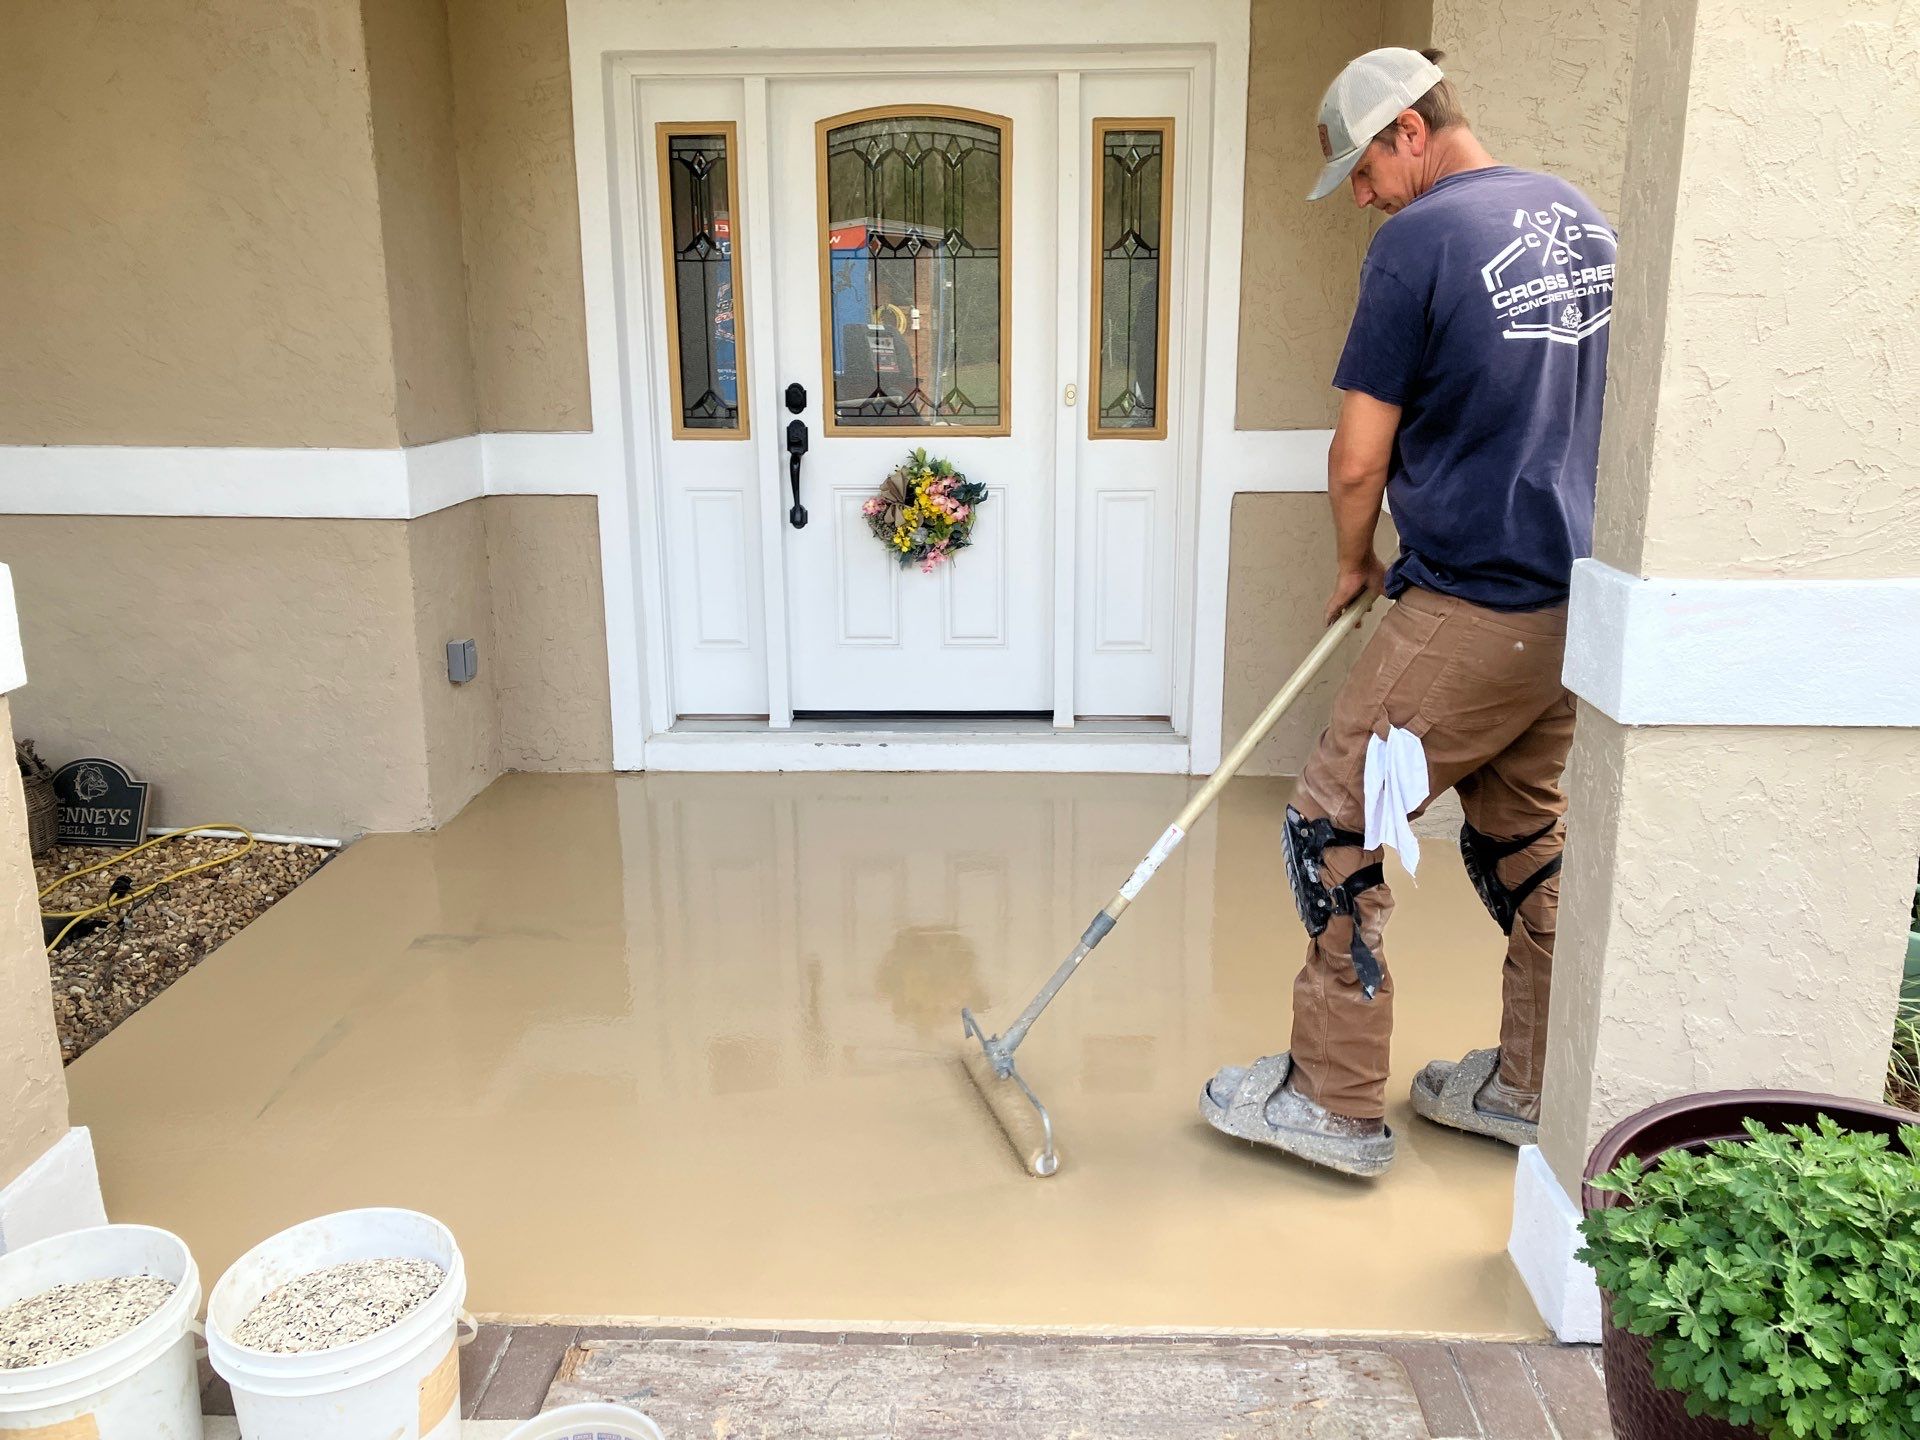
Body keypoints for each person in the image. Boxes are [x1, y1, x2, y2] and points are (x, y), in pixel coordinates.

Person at [1199, 47, 1615, 1177]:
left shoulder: (1419, 241)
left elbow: (1357, 458)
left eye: (1367, 172)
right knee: (1524, 839)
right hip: (1570, 610)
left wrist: (1352, 560)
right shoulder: (1581, 222)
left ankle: (1333, 1102)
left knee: (1332, 828)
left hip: (1470, 600)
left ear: (1410, 134)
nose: (1366, 198)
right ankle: (1534, 1081)